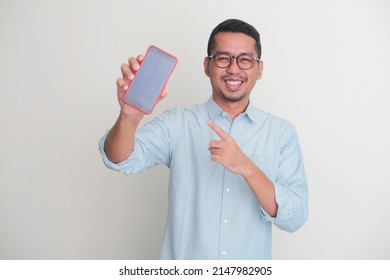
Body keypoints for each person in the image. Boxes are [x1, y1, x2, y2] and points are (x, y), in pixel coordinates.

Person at [99, 19, 308, 260]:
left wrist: (246, 167)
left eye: (245, 59)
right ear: (207, 65)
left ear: (259, 69)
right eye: (223, 58)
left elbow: (295, 216)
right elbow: (119, 159)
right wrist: (129, 117)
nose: (234, 69)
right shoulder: (178, 123)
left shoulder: (281, 133)